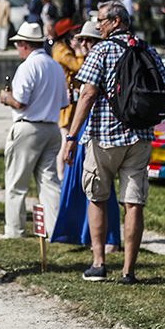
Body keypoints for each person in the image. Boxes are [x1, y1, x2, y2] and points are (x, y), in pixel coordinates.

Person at [64, 1, 165, 284]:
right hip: (140, 136)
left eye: (101, 20)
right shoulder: (146, 48)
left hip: (104, 136)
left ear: (115, 21)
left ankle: (99, 263)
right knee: (133, 202)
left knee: (97, 197)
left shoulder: (101, 50)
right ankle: (128, 271)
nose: (98, 25)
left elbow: (88, 93)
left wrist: (71, 136)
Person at [52, 20, 121, 250]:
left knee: (100, 184)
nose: (83, 43)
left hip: (98, 128)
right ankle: (80, 233)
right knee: (80, 181)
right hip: (82, 127)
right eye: (81, 39)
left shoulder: (98, 59)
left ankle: (106, 238)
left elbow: (87, 91)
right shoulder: (84, 56)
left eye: (88, 39)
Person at [0, 23, 67, 238]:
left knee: (16, 182)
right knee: (49, 182)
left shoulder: (28, 66)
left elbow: (20, 102)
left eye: (18, 44)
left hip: (28, 127)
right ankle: (55, 229)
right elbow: (64, 102)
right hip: (51, 128)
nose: (17, 48)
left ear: (24, 44)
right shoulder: (55, 65)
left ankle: (15, 229)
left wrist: (5, 97)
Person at [49, 19, 83, 131]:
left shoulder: (61, 48)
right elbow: (79, 67)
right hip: (67, 94)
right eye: (73, 32)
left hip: (70, 93)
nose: (77, 35)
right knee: (67, 132)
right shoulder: (62, 51)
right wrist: (78, 50)